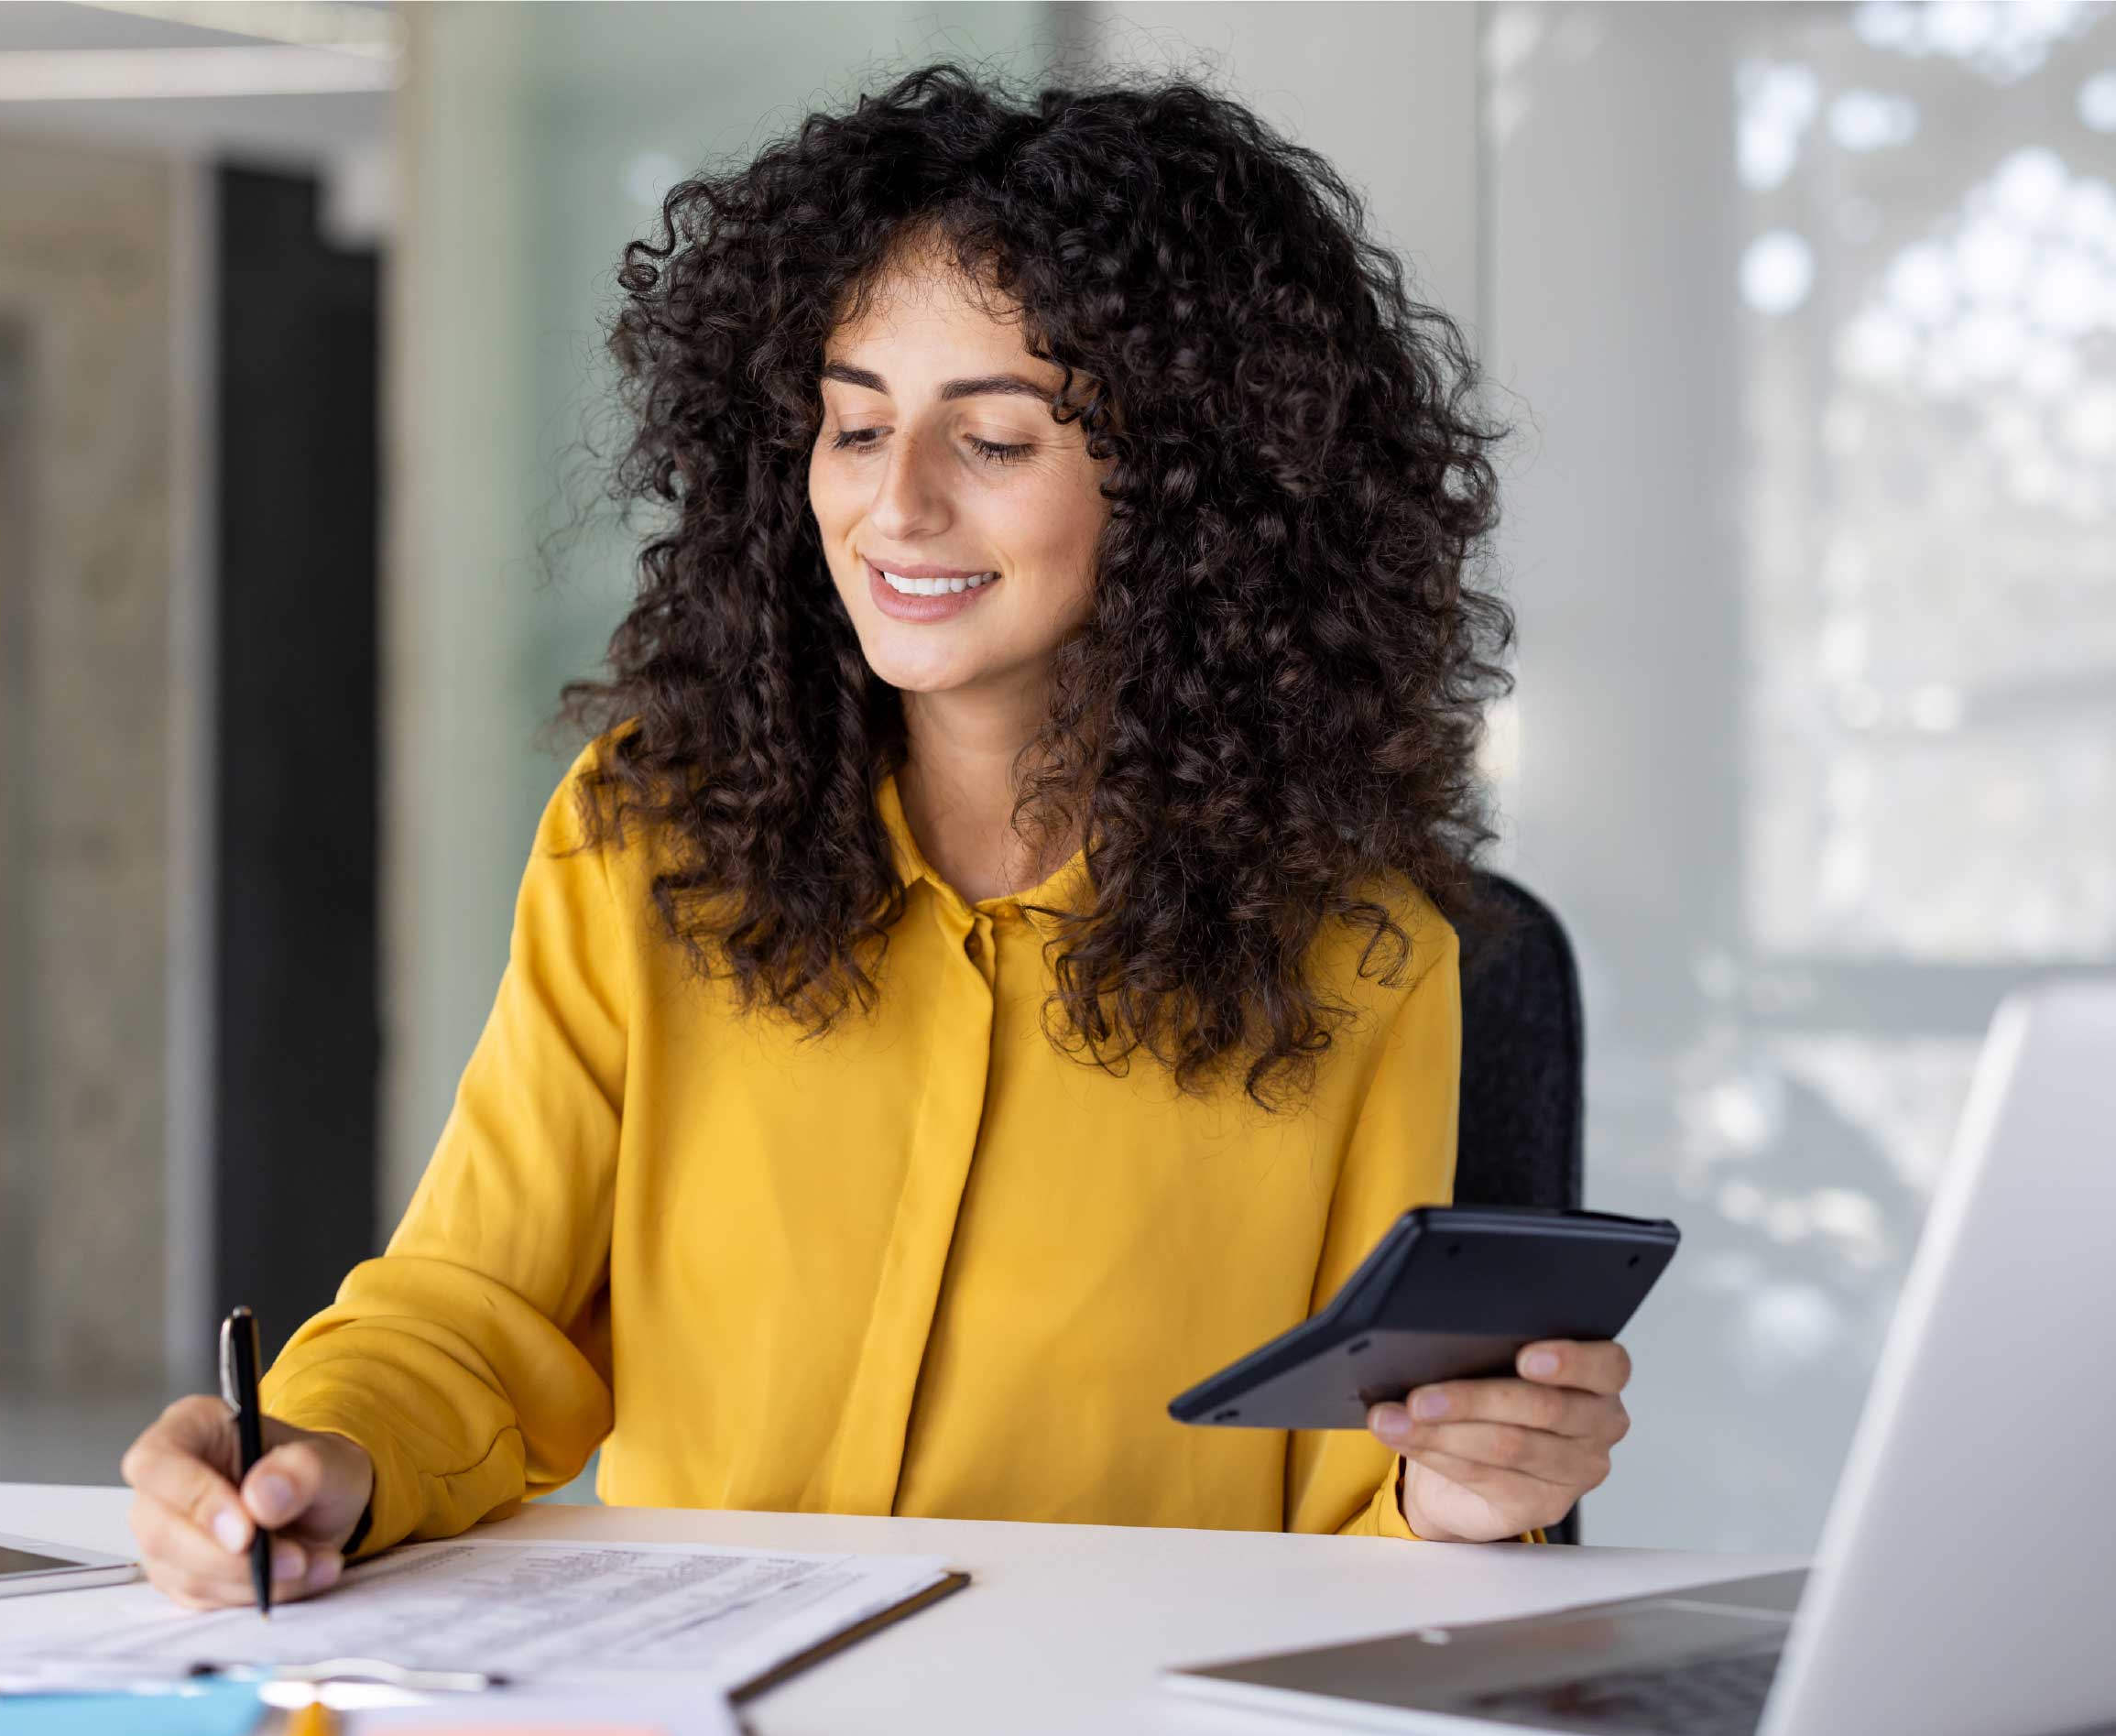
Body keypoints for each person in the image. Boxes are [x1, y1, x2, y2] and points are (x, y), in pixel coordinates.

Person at [120, 62, 1633, 1609]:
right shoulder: (650, 839)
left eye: (994, 441)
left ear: (1193, 491)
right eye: (854, 426)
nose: (894, 505)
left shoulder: (1363, 954)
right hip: (695, 1694)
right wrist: (319, 1450)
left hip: (1100, 1721)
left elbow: (1359, 1525)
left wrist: (1459, 1497)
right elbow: (470, 1312)